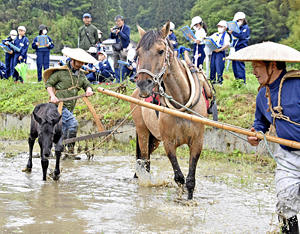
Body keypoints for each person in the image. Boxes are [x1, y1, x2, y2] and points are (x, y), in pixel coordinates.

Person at [227, 41, 300, 233]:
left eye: (257, 67)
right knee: (285, 203)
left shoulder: (298, 84)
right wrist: (256, 133)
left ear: (273, 65)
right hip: (287, 157)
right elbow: (260, 122)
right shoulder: (263, 95)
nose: (253, 72)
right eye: (252, 67)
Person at [43, 47, 97, 153]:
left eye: (83, 62)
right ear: (73, 60)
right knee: (73, 124)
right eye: (79, 61)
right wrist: (53, 96)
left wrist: (89, 90)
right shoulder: (61, 72)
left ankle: (62, 151)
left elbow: (87, 84)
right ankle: (70, 149)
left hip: (71, 106)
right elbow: (49, 84)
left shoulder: (81, 74)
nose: (81, 64)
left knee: (64, 128)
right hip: (59, 106)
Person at [228, 11, 250, 83]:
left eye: (238, 20)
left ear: (243, 20)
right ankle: (237, 80)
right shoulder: (237, 28)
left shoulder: (245, 27)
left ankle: (242, 81)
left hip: (241, 47)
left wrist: (233, 32)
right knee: (234, 65)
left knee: (240, 65)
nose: (237, 22)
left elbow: (242, 36)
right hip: (235, 48)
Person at [110, 15, 130, 83]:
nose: (118, 23)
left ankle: (123, 79)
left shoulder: (126, 28)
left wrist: (120, 32)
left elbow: (126, 38)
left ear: (122, 21)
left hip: (123, 48)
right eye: (116, 21)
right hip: (116, 48)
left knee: (122, 64)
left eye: (119, 21)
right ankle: (118, 80)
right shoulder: (116, 28)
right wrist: (112, 32)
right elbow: (112, 38)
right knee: (115, 64)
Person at [209, 20, 230, 85]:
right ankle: (212, 80)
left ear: (225, 27)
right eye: (218, 26)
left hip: (220, 52)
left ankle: (220, 81)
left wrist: (220, 49)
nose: (219, 28)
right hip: (214, 51)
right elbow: (209, 39)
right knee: (212, 66)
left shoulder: (226, 35)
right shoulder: (215, 34)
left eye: (221, 26)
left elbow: (227, 44)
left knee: (219, 66)